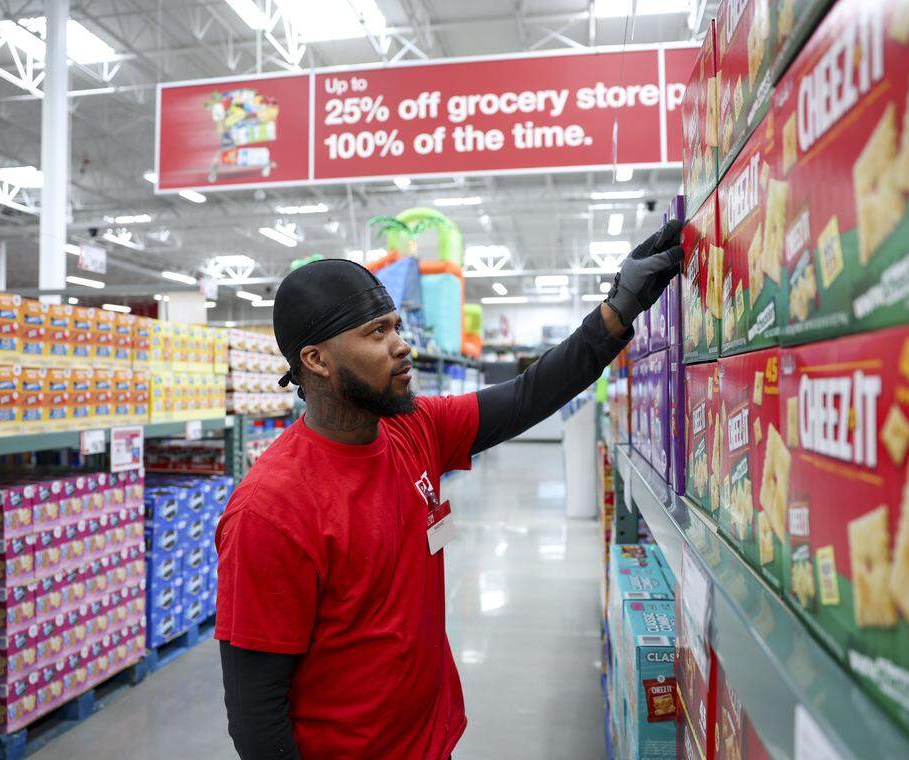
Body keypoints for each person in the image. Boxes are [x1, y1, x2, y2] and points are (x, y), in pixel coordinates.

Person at [215, 220, 683, 759]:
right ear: (316, 361)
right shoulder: (271, 509)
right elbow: (256, 716)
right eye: (376, 334)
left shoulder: (412, 427)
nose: (402, 346)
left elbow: (529, 394)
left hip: (431, 742)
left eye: (396, 327)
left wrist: (618, 310)